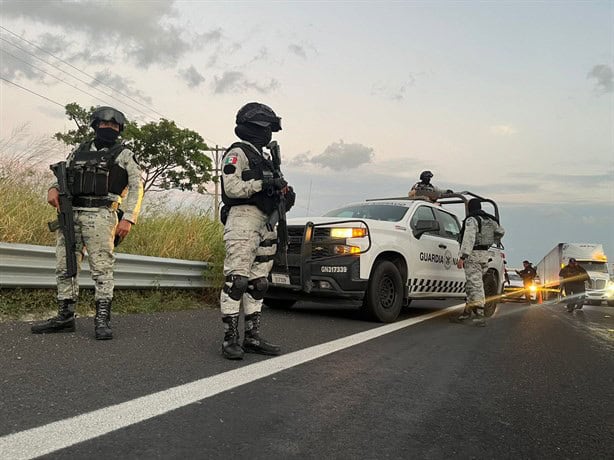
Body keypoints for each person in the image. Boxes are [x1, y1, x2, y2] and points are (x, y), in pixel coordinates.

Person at [31, 106, 143, 340]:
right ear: (95, 125)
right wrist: (52, 189)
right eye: (104, 124)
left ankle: (102, 319)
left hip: (102, 214)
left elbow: (136, 186)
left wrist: (129, 218)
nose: (109, 128)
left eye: (114, 125)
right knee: (65, 264)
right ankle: (65, 316)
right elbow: (62, 178)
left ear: (119, 129)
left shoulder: (124, 154)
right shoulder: (79, 151)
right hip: (72, 213)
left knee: (102, 268)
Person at [218, 102, 296, 360]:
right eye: (266, 128)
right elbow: (231, 188)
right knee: (237, 280)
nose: (269, 133)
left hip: (267, 221)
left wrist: (284, 193)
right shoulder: (237, 153)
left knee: (259, 282)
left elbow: (274, 189)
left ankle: (252, 337)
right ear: (254, 127)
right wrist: (263, 184)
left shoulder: (267, 159)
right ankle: (230, 339)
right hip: (243, 218)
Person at [451, 198, 505, 326]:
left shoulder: (472, 220)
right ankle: (467, 312)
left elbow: (469, 238)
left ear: (470, 208)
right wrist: (492, 240)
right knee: (472, 284)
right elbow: (501, 231)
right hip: (484, 254)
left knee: (475, 285)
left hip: (473, 255)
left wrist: (462, 257)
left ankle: (480, 315)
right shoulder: (490, 220)